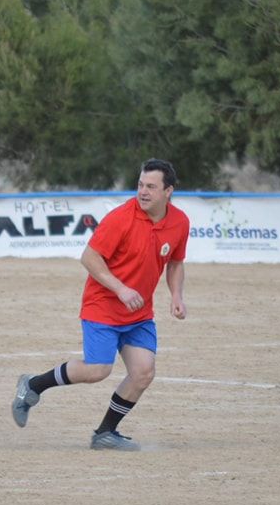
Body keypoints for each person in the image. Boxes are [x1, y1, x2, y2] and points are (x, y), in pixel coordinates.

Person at [11, 158, 189, 450]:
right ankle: (33, 385)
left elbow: (176, 262)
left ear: (168, 191)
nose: (143, 192)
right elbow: (89, 257)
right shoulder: (121, 218)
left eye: (151, 187)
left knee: (143, 372)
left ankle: (105, 433)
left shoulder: (179, 222)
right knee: (97, 370)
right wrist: (120, 289)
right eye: (140, 185)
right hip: (103, 305)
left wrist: (177, 296)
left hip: (139, 313)